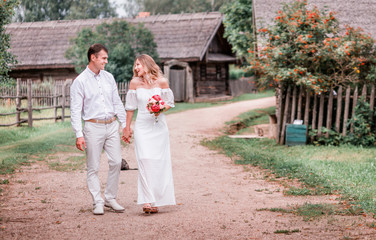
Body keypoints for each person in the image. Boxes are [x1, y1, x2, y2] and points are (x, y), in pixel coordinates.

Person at [70, 43, 129, 215]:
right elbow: (75, 110)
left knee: (117, 162)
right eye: (103, 58)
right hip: (92, 127)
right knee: (93, 167)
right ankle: (97, 201)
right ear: (93, 58)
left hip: (111, 125)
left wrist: (124, 124)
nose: (106, 61)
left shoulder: (109, 77)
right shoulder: (79, 82)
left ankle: (110, 198)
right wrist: (78, 134)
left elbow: (117, 102)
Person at [122, 54, 176, 214]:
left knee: (158, 162)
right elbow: (130, 107)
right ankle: (146, 200)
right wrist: (127, 127)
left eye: (138, 64)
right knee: (144, 160)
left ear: (147, 65)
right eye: (135, 65)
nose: (136, 68)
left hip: (159, 127)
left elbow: (170, 103)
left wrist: (159, 108)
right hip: (142, 126)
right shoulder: (134, 83)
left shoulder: (162, 82)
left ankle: (156, 200)